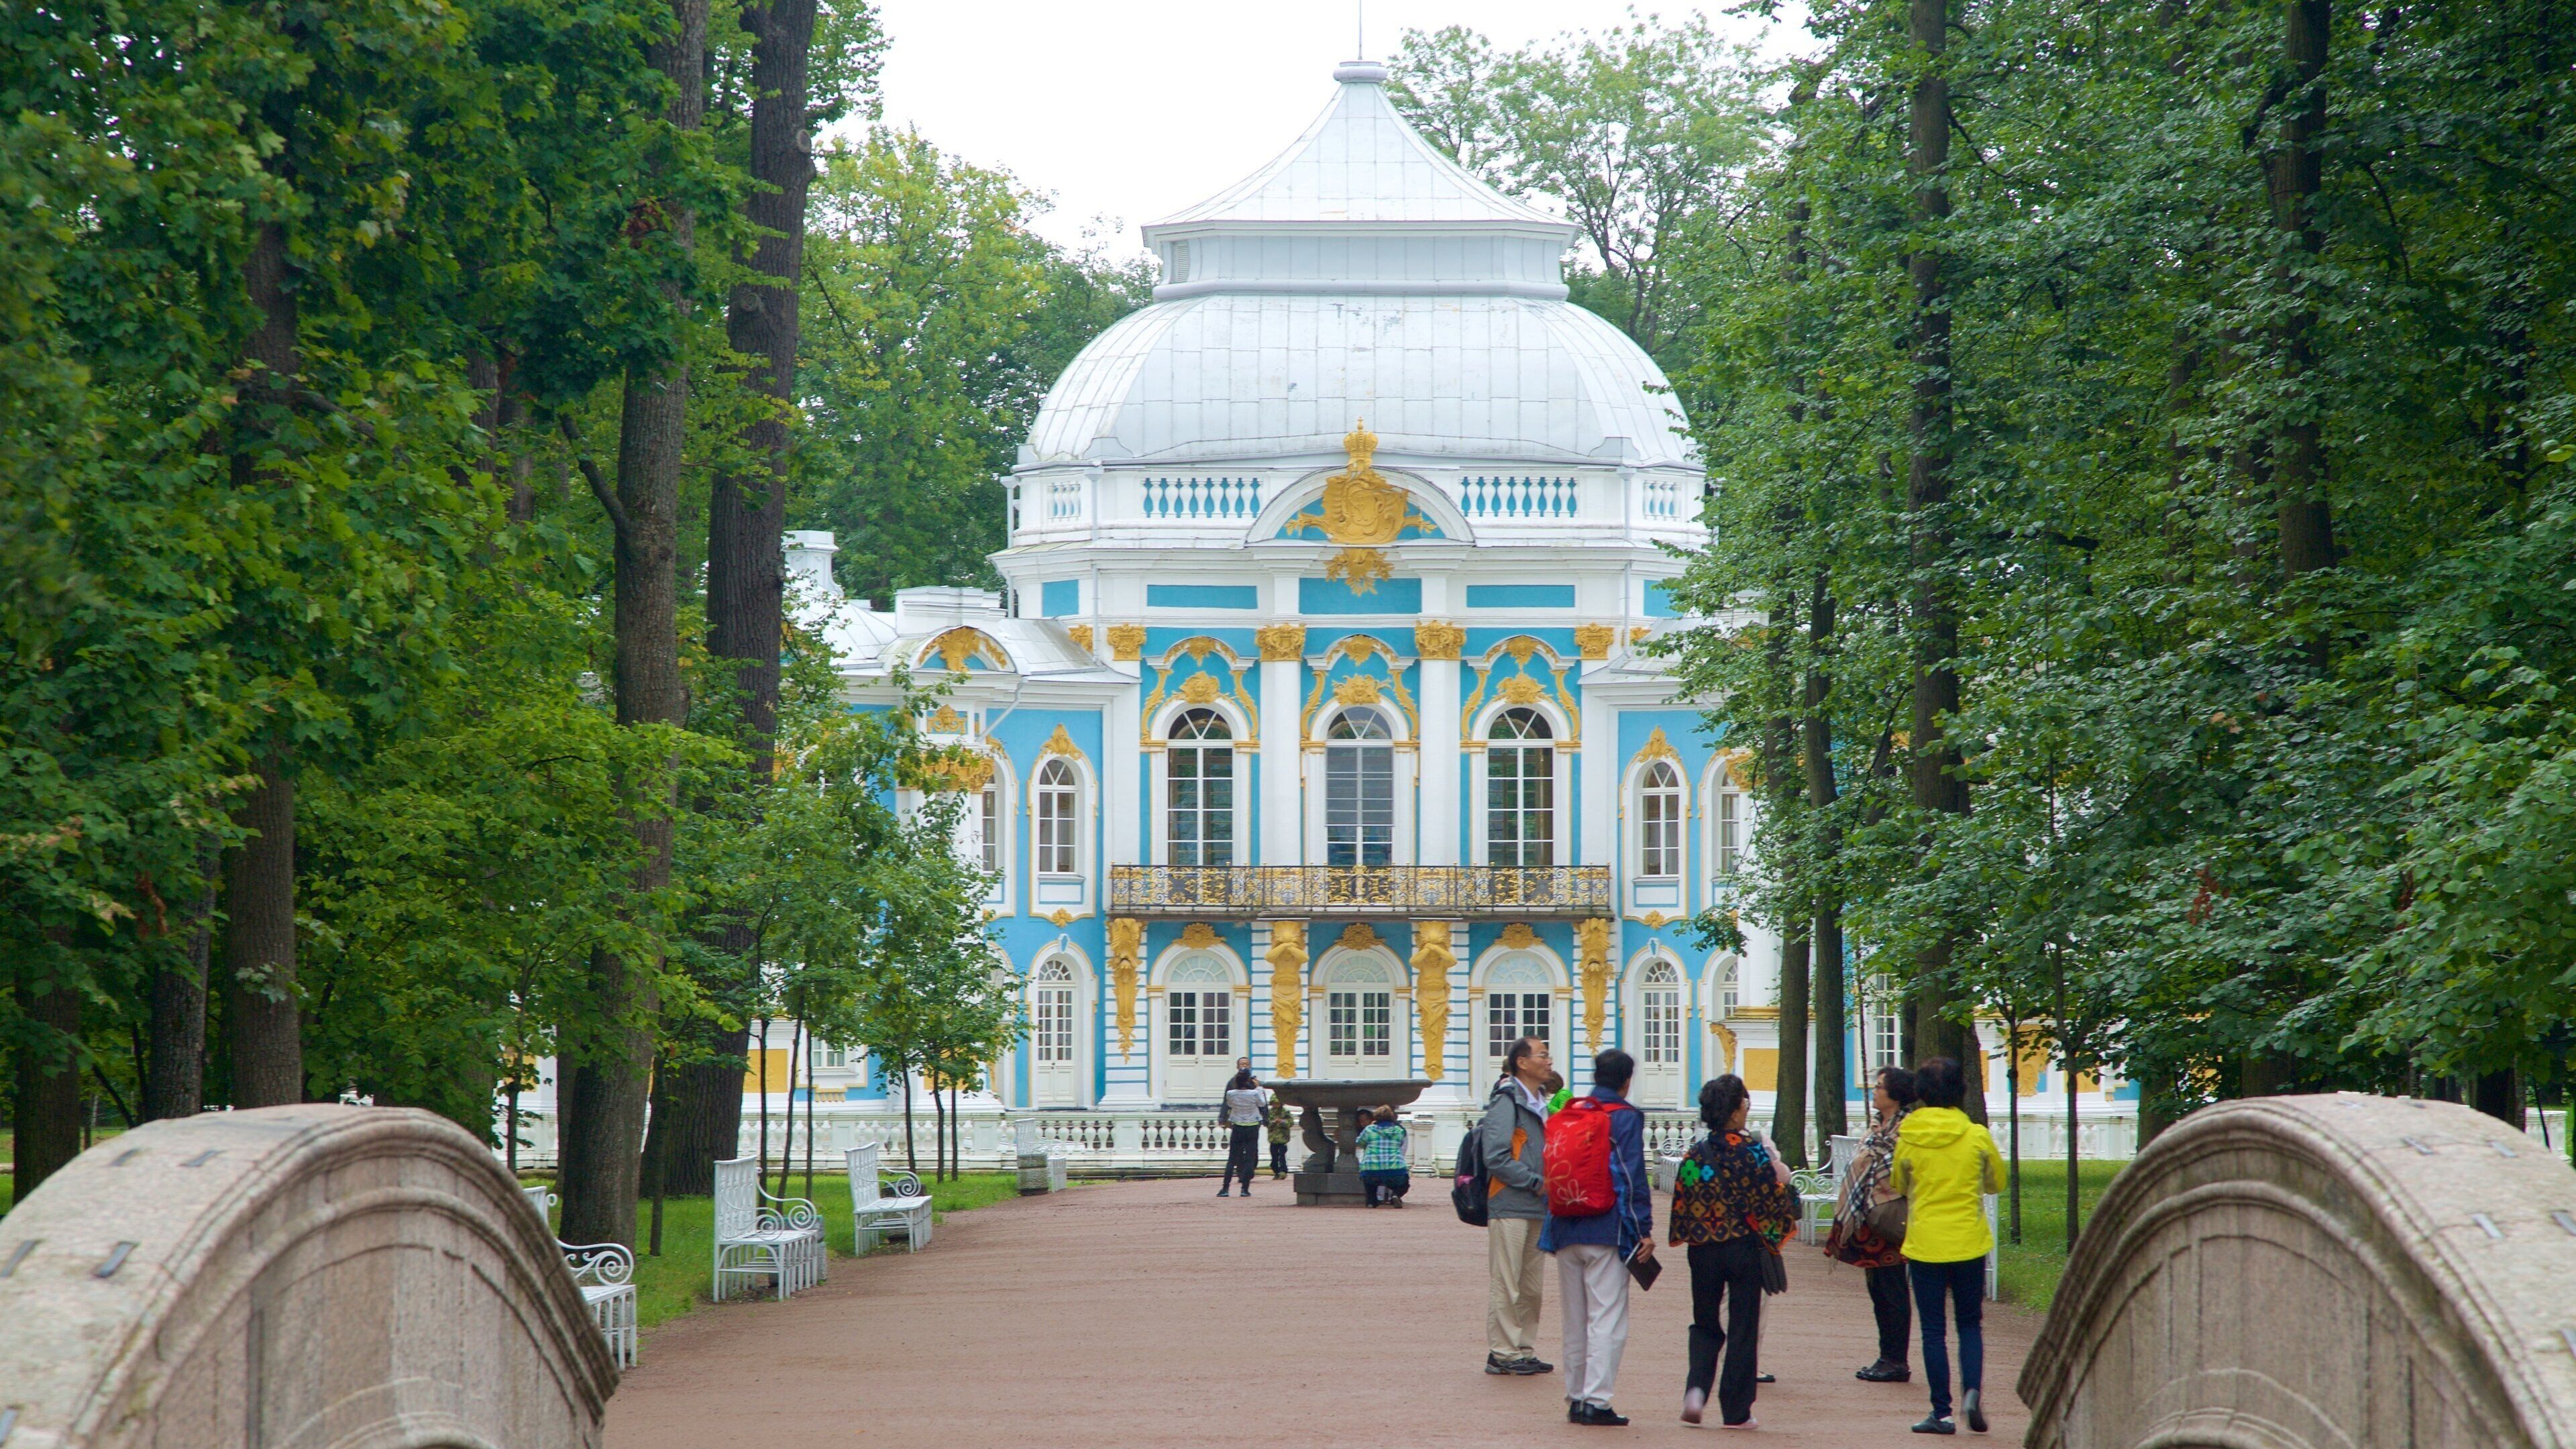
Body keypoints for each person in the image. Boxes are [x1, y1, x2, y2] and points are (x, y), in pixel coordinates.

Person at [1668, 1073, 1797, 1428]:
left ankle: (1696, 1391)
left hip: (1704, 1249)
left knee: (1706, 1322)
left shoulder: (1695, 1154)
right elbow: (1772, 1202)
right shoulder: (1753, 1153)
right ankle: (1736, 1411)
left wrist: (1693, 1234)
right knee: (1743, 1326)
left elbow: (1682, 1205)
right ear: (1737, 1111)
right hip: (1743, 1248)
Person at [1541, 1048, 1654, 1427]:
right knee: (1607, 1317)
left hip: (1565, 1225)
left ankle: (1575, 1398)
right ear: (1626, 1080)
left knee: (1574, 1319)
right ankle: (1598, 1401)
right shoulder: (1625, 1117)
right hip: (1607, 1227)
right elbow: (1631, 1174)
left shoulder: (1572, 1111)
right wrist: (1643, 1230)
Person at [1892, 1057, 2005, 1436]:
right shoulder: (1975, 1135)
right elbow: (1997, 1182)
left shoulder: (1908, 1136)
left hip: (1925, 1243)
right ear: (1961, 1091)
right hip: (1969, 1242)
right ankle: (1972, 1391)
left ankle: (1941, 1413)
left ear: (1920, 1093)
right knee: (1970, 1324)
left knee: (1932, 1330)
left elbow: (1899, 1183)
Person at [1825, 1066, 1920, 1384]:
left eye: (1879, 1087)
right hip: (1871, 1218)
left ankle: (1896, 1360)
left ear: (1895, 1095)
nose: (1874, 1091)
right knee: (1878, 1289)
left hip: (1891, 1219)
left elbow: (1904, 1174)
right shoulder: (1879, 1126)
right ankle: (1886, 1356)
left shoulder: (1906, 1130)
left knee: (1892, 1290)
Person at [1479, 1033, 1554, 1377]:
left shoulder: (1540, 1101)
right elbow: (1495, 1157)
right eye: (1542, 1055)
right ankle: (1503, 1352)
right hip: (1509, 1202)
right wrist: (1536, 1181)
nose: (1548, 1060)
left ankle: (1523, 1347)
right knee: (1507, 1282)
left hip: (1536, 1204)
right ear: (1522, 1063)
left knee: (1531, 1286)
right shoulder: (1506, 1101)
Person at [1216, 1060, 1265, 1198]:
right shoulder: (1255, 1093)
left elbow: (1229, 1105)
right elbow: (1262, 1104)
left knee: (1232, 1159)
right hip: (1252, 1128)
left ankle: (1225, 1188)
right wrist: (1258, 1087)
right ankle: (1245, 1189)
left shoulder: (1231, 1094)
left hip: (1237, 1127)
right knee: (1249, 1160)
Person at [1357, 1105, 1409, 1206]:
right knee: (1404, 1184)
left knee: (1369, 1183)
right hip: (1395, 1169)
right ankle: (1396, 1195)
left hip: (1371, 1168)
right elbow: (1401, 1144)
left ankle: (1372, 1201)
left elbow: (1359, 1142)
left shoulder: (1369, 1130)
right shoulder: (1399, 1131)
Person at [1265, 1089, 1294, 1179]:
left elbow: (1291, 1122)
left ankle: (1283, 1171)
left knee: (1282, 1156)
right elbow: (1266, 1123)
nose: (1276, 1105)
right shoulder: (1269, 1112)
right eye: (1274, 1103)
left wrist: (1282, 1122)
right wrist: (1273, 1122)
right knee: (1274, 1157)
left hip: (1283, 1138)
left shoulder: (1285, 1112)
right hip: (1273, 1139)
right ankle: (1276, 1171)